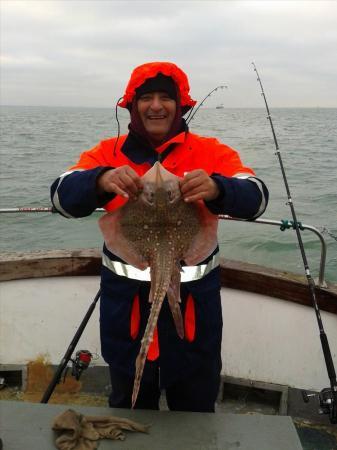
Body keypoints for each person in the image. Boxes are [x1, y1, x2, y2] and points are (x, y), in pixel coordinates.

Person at [51, 61, 269, 412]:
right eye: (146, 97)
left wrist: (218, 188)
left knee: (196, 406)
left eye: (165, 97)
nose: (155, 105)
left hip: (195, 304)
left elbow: (256, 196)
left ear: (180, 105)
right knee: (129, 401)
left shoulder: (210, 152)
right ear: (132, 106)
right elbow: (61, 196)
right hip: (127, 308)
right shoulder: (108, 153)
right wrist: (100, 181)